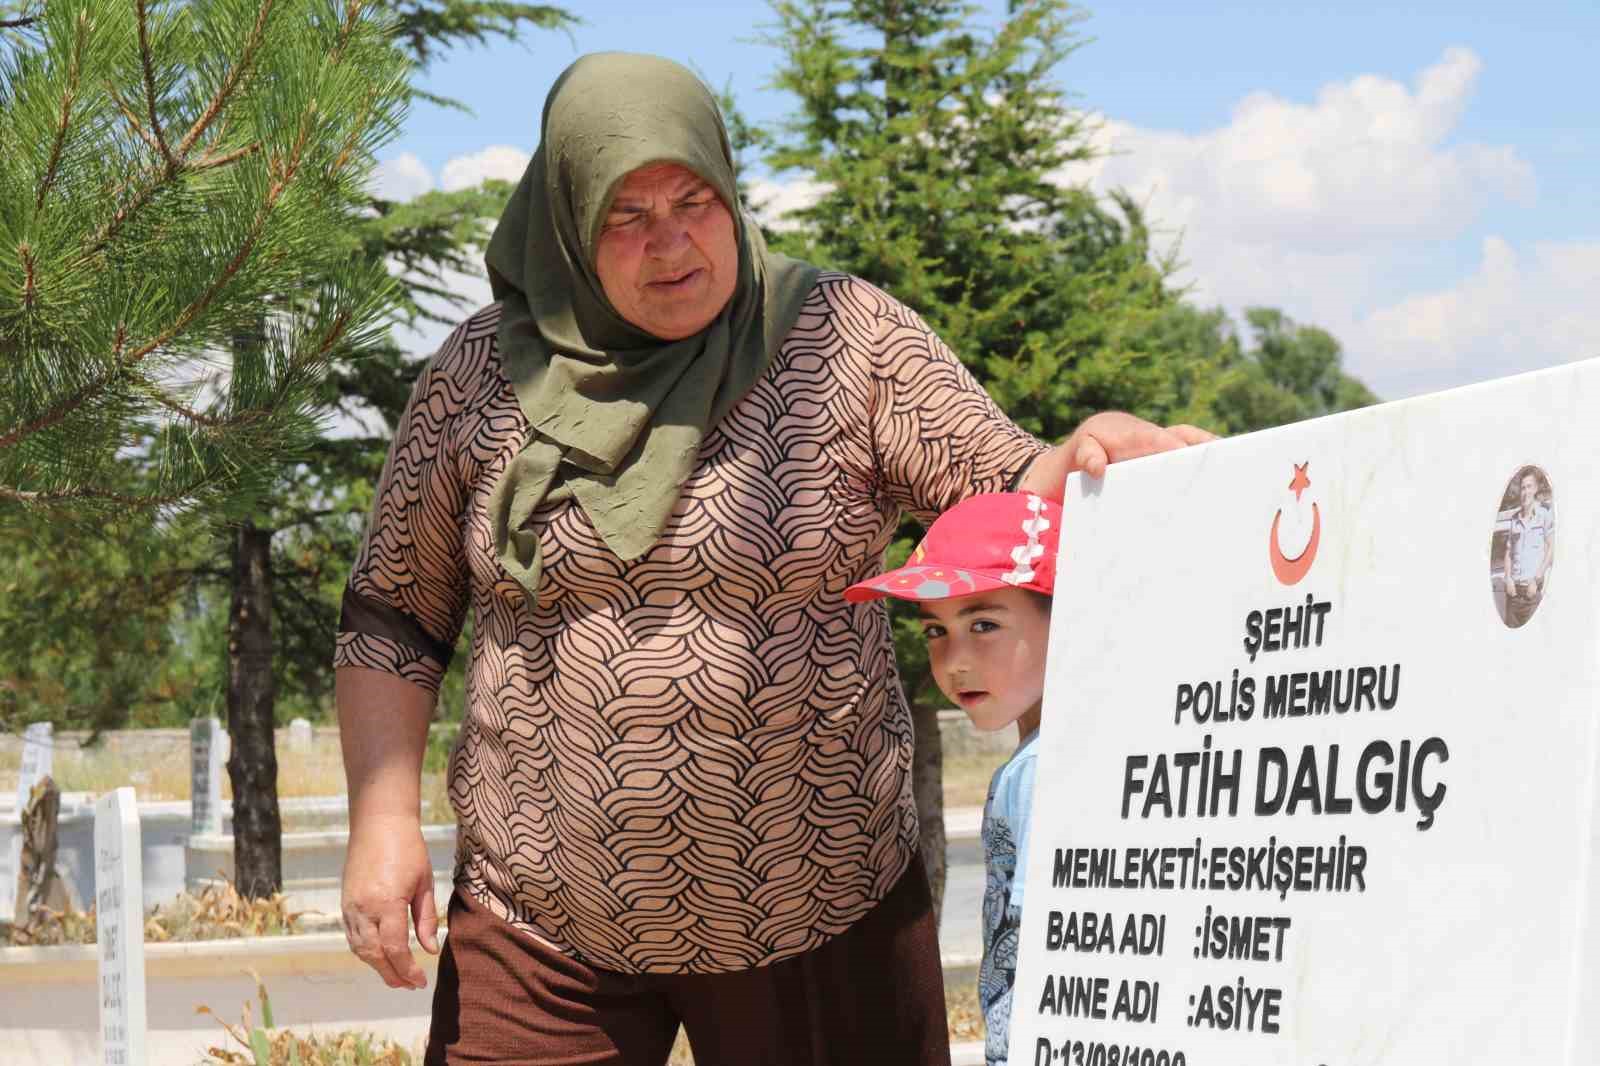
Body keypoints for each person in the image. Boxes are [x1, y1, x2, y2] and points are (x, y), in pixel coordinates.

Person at [333, 51, 1209, 1066]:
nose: (670, 243)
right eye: (626, 215)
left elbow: (1001, 494)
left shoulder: (844, 336)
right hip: (544, 918)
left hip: (824, 900)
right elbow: (392, 614)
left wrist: (1088, 453)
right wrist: (381, 818)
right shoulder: (480, 375)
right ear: (569, 220)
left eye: (693, 200)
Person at [844, 492, 1059, 1066]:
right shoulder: (1060, 758)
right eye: (935, 631)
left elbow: (1039, 954)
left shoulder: (1040, 774)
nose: (953, 660)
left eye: (983, 623)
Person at [1502, 468, 1554, 627]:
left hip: (1532, 594)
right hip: (1513, 594)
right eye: (1522, 488)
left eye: (1529, 487)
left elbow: (1551, 549)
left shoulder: (1544, 516)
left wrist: (1536, 580)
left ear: (1536, 488)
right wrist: (1508, 578)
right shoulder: (1513, 520)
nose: (1525, 492)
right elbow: (1508, 553)